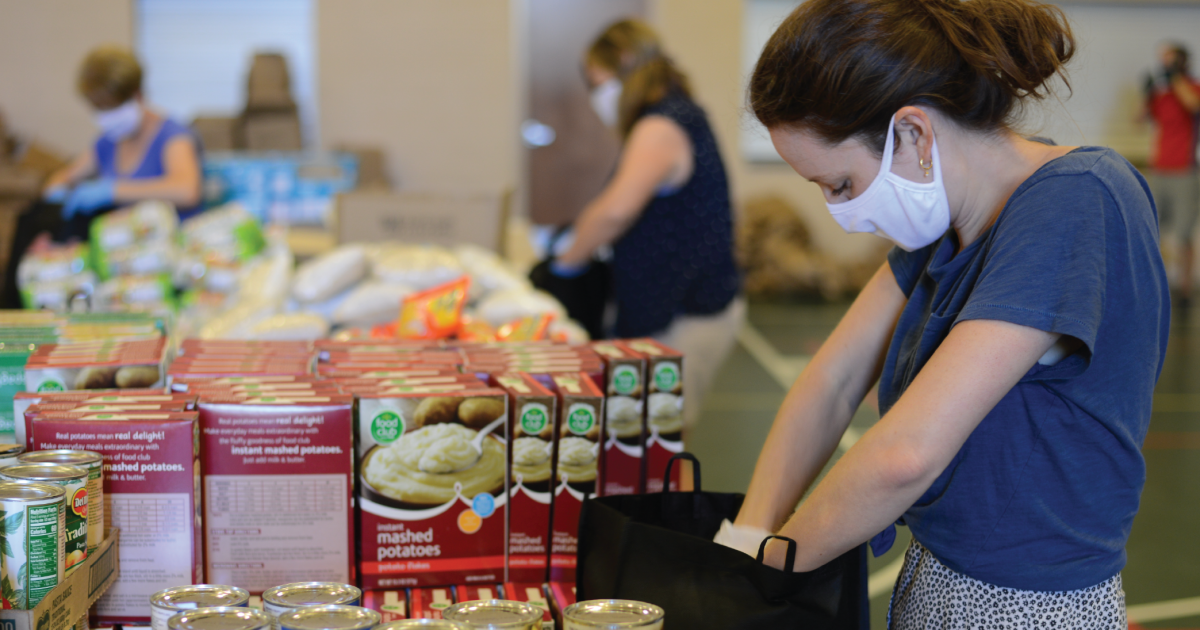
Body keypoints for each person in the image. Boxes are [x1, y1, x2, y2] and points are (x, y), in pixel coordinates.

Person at [720, 0, 1168, 627]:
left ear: (912, 133)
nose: (838, 212)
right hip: (938, 576)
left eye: (840, 185)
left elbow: (909, 453)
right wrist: (747, 536)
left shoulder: (1076, 199)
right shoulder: (949, 222)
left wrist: (765, 572)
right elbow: (832, 382)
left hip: (1023, 604)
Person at [547, 19, 743, 435]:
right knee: (651, 436)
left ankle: (672, 504)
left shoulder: (661, 125)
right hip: (676, 307)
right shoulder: (674, 115)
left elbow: (615, 211)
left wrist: (562, 265)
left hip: (689, 312)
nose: (596, 95)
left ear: (625, 62)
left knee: (662, 438)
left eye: (596, 81)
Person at [3, 45, 204, 308]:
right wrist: (58, 193)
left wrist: (113, 190)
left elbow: (187, 190)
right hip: (121, 255)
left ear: (137, 95)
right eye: (97, 108)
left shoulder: (173, 136)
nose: (105, 116)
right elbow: (64, 178)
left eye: (110, 106)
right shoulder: (109, 142)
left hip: (162, 258)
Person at [1144, 42, 1200, 307]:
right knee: (1154, 231)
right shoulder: (1163, 94)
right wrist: (1147, 94)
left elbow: (1193, 105)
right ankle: (1157, 286)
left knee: (1183, 234)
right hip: (1160, 169)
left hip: (1185, 171)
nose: (1164, 65)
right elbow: (1140, 118)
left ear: (1181, 63)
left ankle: (1186, 291)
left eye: (1170, 60)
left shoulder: (1192, 89)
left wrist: (1177, 78)